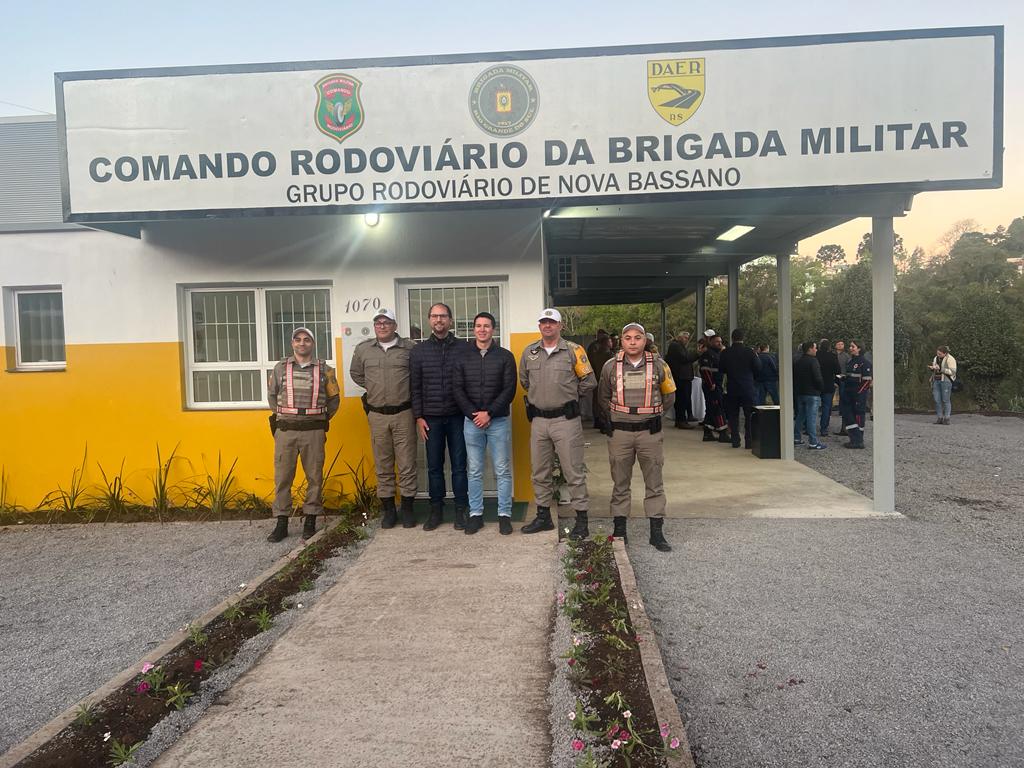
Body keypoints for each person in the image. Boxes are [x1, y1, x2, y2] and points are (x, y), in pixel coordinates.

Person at [596, 322, 676, 552]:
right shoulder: (610, 367)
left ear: (645, 341)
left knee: (654, 482)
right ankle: (620, 530)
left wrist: (655, 413)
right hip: (620, 433)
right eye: (628, 337)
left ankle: (656, 532)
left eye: (637, 337)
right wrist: (616, 414)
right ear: (621, 341)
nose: (632, 342)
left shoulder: (659, 365)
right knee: (620, 482)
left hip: (649, 432)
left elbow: (669, 395)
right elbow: (603, 396)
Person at [520, 308, 597, 538]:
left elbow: (589, 381)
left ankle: (581, 521)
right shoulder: (530, 352)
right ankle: (544, 517)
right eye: (544, 322)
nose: (547, 326)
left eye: (552, 323)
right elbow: (525, 381)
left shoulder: (574, 350)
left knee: (573, 472)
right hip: (539, 421)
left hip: (566, 420)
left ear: (560, 326)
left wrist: (570, 397)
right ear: (539, 326)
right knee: (540, 471)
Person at [266, 327, 341, 542]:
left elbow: (334, 401)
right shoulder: (280, 368)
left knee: (314, 477)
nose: (302, 343)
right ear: (292, 343)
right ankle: (281, 522)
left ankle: (310, 520)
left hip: (314, 432)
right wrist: (286, 416)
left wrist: (319, 419)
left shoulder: (325, 370)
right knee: (283, 478)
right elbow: (272, 397)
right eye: (297, 339)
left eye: (307, 339)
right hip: (286, 431)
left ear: (313, 344)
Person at [350, 308, 417, 529]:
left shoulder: (409, 348)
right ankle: (389, 510)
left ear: (395, 326)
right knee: (383, 463)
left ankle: (407, 508)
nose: (382, 326)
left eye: (387, 322)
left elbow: (418, 375)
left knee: (407, 463)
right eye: (378, 323)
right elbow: (356, 374)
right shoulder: (363, 350)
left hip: (404, 414)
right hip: (377, 415)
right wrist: (374, 387)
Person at [452, 312, 517, 535]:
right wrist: (473, 414)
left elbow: (509, 390)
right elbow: (457, 389)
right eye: (478, 326)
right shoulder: (462, 357)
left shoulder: (505, 357)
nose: (482, 330)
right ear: (473, 330)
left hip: (497, 421)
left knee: (502, 469)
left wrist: (488, 413)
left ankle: (504, 515)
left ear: (493, 329)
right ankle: (476, 515)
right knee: (475, 470)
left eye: (486, 326)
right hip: (472, 423)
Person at [410, 302, 470, 531]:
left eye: (443, 316)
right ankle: (436, 510)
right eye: (434, 316)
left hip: (457, 417)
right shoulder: (418, 351)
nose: (439, 320)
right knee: (434, 466)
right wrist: (419, 416)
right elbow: (415, 387)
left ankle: (460, 510)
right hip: (431, 418)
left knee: (459, 466)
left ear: (451, 320)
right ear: (429, 320)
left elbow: (470, 382)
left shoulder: (464, 348)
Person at [718, 328, 761, 448]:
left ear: (732, 338)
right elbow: (758, 367)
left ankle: (735, 440)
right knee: (748, 416)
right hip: (747, 387)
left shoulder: (726, 353)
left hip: (732, 387)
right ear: (743, 338)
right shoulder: (750, 352)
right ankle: (749, 441)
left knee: (733, 415)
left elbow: (721, 369)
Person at [837, 340, 872, 448]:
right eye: (850, 346)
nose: (850, 348)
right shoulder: (851, 361)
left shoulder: (864, 363)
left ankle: (858, 441)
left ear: (859, 348)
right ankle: (854, 439)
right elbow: (851, 376)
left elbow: (866, 381)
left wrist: (859, 393)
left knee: (858, 416)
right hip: (848, 394)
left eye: (853, 346)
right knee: (848, 415)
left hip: (858, 396)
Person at [793, 340, 826, 450]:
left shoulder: (798, 361)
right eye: (815, 348)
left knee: (800, 416)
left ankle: (796, 438)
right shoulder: (813, 361)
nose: (816, 350)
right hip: (812, 393)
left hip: (801, 393)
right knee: (811, 418)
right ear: (810, 349)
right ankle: (813, 442)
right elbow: (818, 377)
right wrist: (821, 388)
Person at [698, 331, 730, 443]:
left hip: (717, 385)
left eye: (720, 342)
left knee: (711, 408)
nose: (719, 343)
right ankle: (722, 433)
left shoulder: (718, 354)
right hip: (712, 386)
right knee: (718, 407)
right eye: (717, 341)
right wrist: (711, 384)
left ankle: (707, 432)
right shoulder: (708, 354)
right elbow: (705, 370)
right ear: (711, 341)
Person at [664, 331, 697, 427]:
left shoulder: (678, 346)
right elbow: (685, 358)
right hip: (680, 376)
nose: (686, 340)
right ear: (680, 338)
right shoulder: (676, 346)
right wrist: (697, 354)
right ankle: (681, 420)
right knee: (682, 399)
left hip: (683, 376)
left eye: (687, 338)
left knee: (684, 398)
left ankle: (682, 419)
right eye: (685, 338)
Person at [586, 330, 614, 431]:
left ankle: (599, 421)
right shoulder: (607, 354)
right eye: (610, 341)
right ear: (606, 342)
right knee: (604, 401)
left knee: (597, 401)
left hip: (595, 378)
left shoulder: (594, 348)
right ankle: (604, 423)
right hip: (604, 380)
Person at [816, 339, 840, 438]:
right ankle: (824, 429)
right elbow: (837, 370)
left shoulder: (815, 355)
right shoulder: (833, 356)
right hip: (828, 384)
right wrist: (836, 382)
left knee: (813, 407)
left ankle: (809, 427)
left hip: (816, 384)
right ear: (829, 347)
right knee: (826, 407)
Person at [929, 346, 958, 425]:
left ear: (945, 353)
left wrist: (941, 369)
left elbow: (953, 371)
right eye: (937, 353)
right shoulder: (935, 358)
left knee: (946, 400)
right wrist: (933, 368)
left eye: (940, 354)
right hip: (936, 380)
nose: (938, 355)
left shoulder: (950, 359)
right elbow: (936, 369)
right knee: (937, 399)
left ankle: (947, 418)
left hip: (946, 381)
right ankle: (940, 417)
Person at [833, 341, 851, 435]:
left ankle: (841, 410)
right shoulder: (832, 355)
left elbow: (848, 367)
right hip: (833, 378)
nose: (840, 345)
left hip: (843, 378)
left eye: (842, 344)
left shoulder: (846, 356)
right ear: (835, 345)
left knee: (842, 395)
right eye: (839, 344)